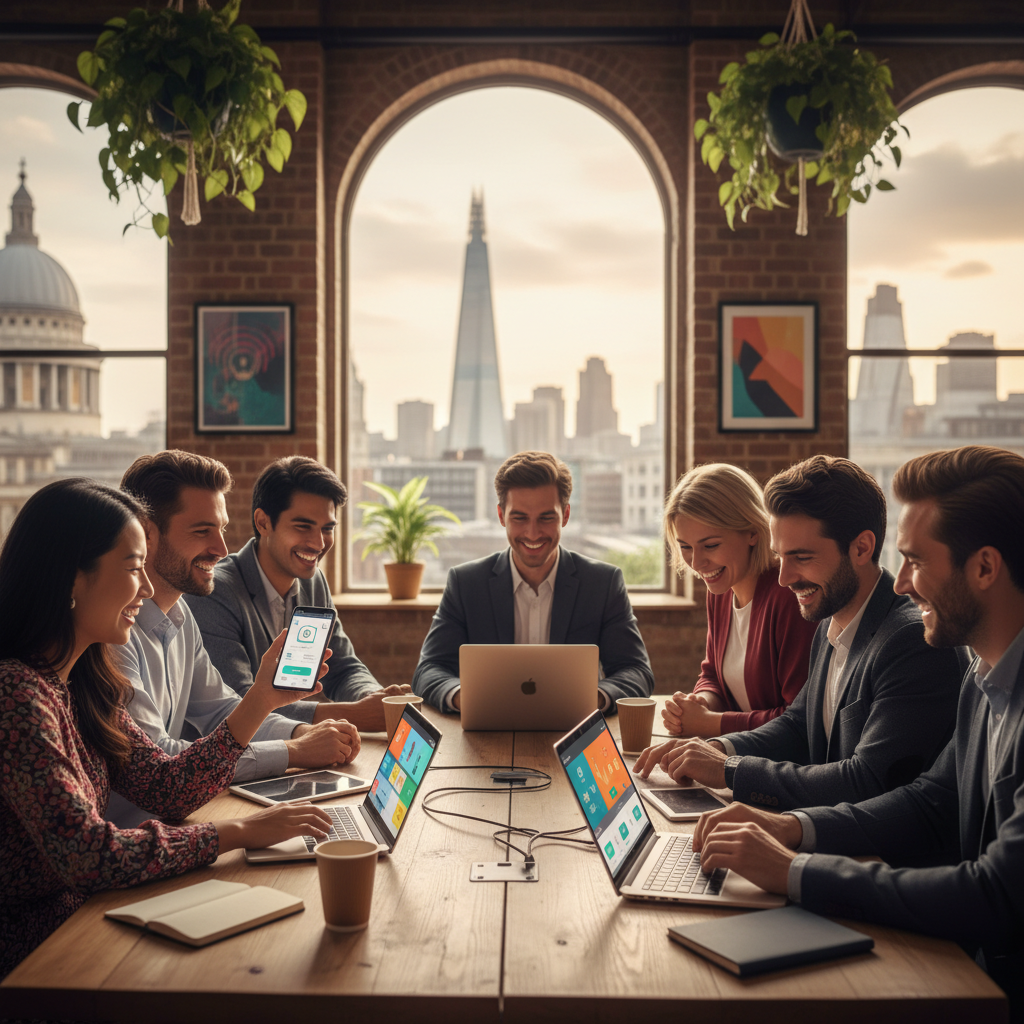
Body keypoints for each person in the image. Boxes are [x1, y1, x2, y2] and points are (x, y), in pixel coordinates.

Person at [691, 445, 1024, 1012]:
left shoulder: (923, 648)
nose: (902, 585)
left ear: (985, 568)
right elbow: (928, 802)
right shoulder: (982, 678)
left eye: (917, 562)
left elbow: (996, 894)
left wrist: (796, 872)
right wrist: (790, 827)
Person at [0, 479, 334, 979]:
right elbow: (90, 855)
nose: (149, 587)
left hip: (89, 916)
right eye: (135, 568)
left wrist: (264, 697)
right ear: (72, 578)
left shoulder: (86, 682)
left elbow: (169, 787)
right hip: (36, 954)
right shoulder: (16, 695)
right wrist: (234, 832)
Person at [636, 454, 967, 810]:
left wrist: (730, 770)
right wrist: (714, 750)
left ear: (861, 548)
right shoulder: (831, 616)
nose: (783, 579)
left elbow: (866, 781)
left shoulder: (910, 641)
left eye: (802, 557)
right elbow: (797, 724)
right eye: (781, 557)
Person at [113, 452, 360, 812]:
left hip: (179, 821)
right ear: (147, 533)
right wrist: (293, 751)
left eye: (222, 529)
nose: (222, 549)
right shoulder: (113, 634)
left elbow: (221, 711)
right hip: (138, 839)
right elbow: (163, 761)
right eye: (202, 531)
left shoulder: (180, 614)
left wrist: (298, 732)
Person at [412, 450, 653, 712]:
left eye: (546, 518)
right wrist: (462, 696)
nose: (533, 532)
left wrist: (592, 699)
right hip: (487, 733)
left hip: (575, 733)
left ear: (566, 515)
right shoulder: (466, 584)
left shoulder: (603, 584)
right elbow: (429, 669)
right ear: (502, 516)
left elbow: (636, 671)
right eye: (520, 518)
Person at [186, 456, 410, 732]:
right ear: (263, 523)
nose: (318, 543)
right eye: (303, 526)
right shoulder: (215, 591)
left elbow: (342, 668)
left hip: (297, 752)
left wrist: (373, 699)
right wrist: (355, 715)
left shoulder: (313, 582)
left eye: (327, 529)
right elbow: (237, 703)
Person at [660, 463, 817, 738]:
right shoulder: (721, 590)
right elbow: (713, 675)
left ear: (753, 533)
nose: (697, 563)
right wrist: (700, 704)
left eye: (710, 545)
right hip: (739, 755)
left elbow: (800, 721)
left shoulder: (789, 596)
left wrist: (710, 723)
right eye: (685, 546)